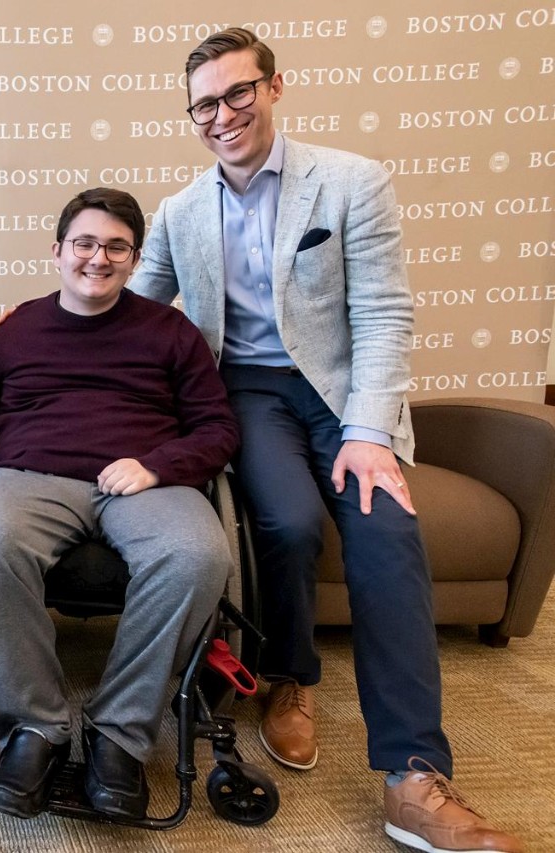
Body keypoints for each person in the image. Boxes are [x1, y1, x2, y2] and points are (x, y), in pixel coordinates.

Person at [130, 27, 524, 853]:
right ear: (191, 115)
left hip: (340, 394)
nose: (224, 114)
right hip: (247, 393)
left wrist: (369, 431)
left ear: (275, 87)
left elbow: (384, 312)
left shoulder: (352, 182)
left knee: (387, 531)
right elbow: (130, 309)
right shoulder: (178, 211)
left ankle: (414, 774)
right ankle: (291, 679)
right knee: (289, 521)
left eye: (239, 92)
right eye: (206, 103)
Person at [0, 187, 239, 820]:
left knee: (200, 555)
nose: (99, 258)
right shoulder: (18, 330)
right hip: (28, 476)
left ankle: (117, 733)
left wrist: (156, 466)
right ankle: (36, 727)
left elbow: (218, 429)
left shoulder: (169, 331)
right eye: (85, 244)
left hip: (143, 480)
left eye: (116, 246)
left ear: (135, 257)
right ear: (59, 251)